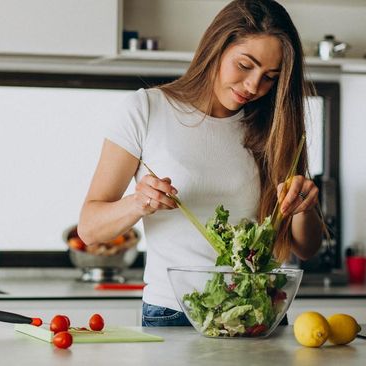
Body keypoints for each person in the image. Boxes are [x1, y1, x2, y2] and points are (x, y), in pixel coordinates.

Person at [78, 0, 323, 327]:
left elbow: (306, 249)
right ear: (216, 48)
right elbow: (90, 230)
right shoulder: (146, 109)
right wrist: (139, 202)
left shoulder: (273, 126)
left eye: (270, 77)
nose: (254, 86)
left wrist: (304, 207)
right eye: (245, 65)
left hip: (261, 313)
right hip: (176, 312)